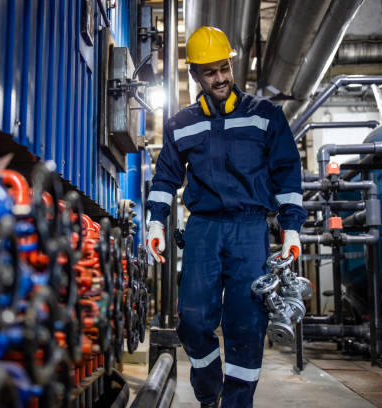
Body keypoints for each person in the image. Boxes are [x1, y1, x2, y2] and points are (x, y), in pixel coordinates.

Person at [145, 26, 307, 408]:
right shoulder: (180, 124)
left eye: (223, 68)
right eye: (209, 72)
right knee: (194, 321)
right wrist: (155, 222)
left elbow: (287, 173)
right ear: (195, 75)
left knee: (247, 325)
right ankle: (208, 393)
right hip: (203, 230)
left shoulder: (265, 116)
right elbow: (166, 175)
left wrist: (292, 230)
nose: (219, 78)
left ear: (231, 65)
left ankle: (236, 403)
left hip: (250, 229)